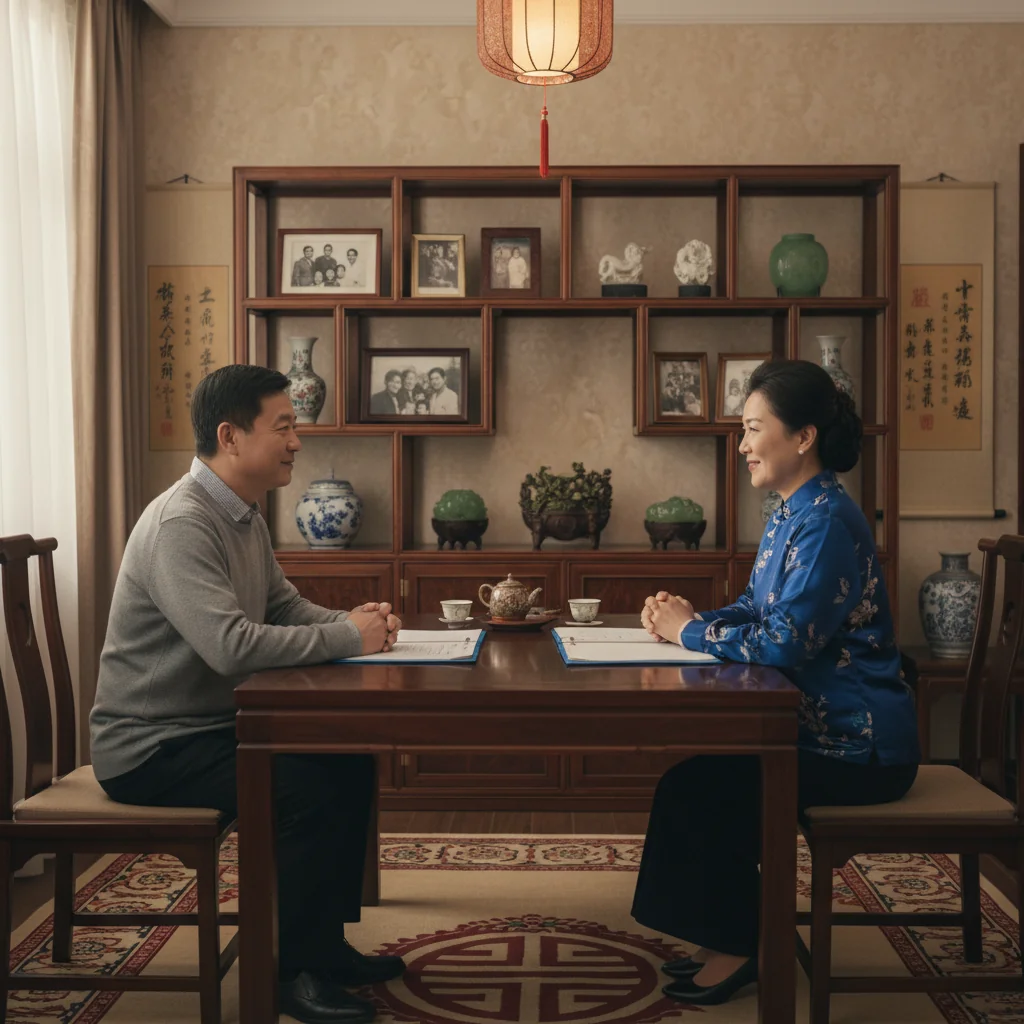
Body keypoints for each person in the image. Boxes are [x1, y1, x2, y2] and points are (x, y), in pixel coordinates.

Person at [89, 364, 405, 1023]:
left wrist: (357, 623)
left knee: (346, 759)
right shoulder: (182, 522)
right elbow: (230, 646)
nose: (296, 441)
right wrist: (347, 637)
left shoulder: (241, 513)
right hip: (151, 746)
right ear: (230, 437)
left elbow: (282, 607)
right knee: (306, 789)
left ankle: (321, 950)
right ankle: (289, 974)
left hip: (203, 727)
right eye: (282, 427)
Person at [633, 359, 919, 1007]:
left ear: (803, 437)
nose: (742, 445)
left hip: (858, 747)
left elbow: (786, 641)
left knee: (705, 790)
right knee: (695, 781)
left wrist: (690, 633)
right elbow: (755, 609)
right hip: (820, 733)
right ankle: (728, 932)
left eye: (753, 428)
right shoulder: (794, 510)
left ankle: (745, 944)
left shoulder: (825, 522)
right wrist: (688, 621)